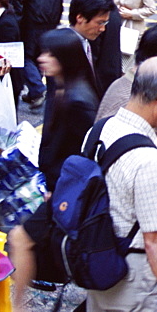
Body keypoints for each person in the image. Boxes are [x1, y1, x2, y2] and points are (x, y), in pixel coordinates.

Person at [10, 58, 157, 312]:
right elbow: (156, 242)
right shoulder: (150, 161)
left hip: (99, 261)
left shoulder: (100, 129)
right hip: (133, 279)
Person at [35, 28, 98, 191]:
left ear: (66, 57)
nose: (42, 59)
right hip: (55, 180)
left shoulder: (78, 101)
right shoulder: (61, 87)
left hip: (64, 184)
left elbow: (84, 151)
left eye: (50, 55)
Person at [80, 0, 124, 94]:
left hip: (98, 79)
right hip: (109, 74)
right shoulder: (111, 8)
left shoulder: (97, 12)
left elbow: (93, 50)